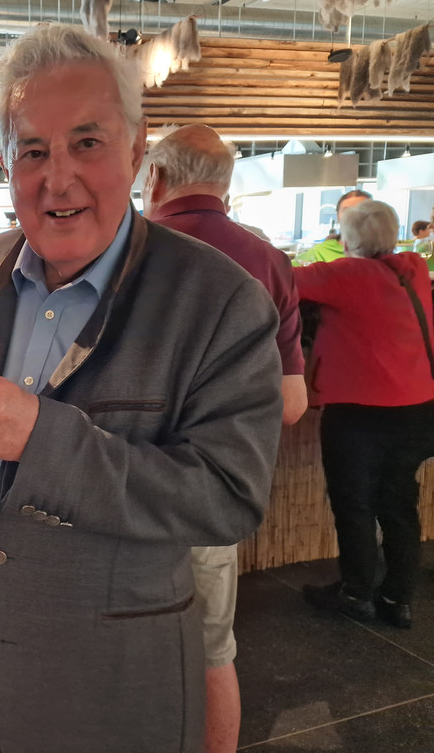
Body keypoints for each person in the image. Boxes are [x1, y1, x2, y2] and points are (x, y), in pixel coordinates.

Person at [0, 24, 283, 752]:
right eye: (33, 150)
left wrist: (44, 440)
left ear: (136, 148)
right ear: (6, 161)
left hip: (113, 694)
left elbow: (229, 497)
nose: (57, 179)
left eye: (86, 143)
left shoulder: (218, 300)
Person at [143, 123, 308, 753]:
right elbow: (291, 405)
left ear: (155, 177)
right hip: (211, 490)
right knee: (212, 650)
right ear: (226, 184)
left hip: (114, 483)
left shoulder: (124, 250)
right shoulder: (268, 261)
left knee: (110, 647)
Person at [296, 200, 434, 631]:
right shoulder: (413, 268)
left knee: (354, 503)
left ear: (347, 238)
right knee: (399, 503)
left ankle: (356, 593)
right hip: (417, 408)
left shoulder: (344, 274)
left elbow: (276, 279)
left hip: (359, 413)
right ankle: (398, 598)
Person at [293, 189, 371, 266]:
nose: (354, 216)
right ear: (338, 216)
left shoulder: (377, 254)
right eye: (347, 211)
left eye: (362, 211)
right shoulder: (318, 253)